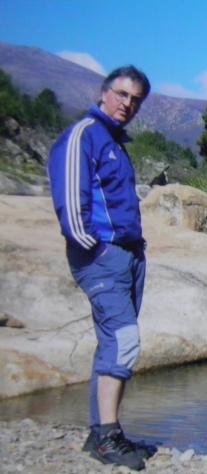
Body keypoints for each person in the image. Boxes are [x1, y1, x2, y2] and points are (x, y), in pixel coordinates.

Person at [48, 65, 155, 471]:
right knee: (124, 341)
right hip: (102, 257)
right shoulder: (84, 135)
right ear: (104, 92)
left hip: (129, 255)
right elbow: (71, 203)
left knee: (112, 343)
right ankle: (108, 438)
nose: (128, 104)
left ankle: (103, 433)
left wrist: (134, 250)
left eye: (136, 100)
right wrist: (94, 248)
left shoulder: (114, 142)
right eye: (122, 94)